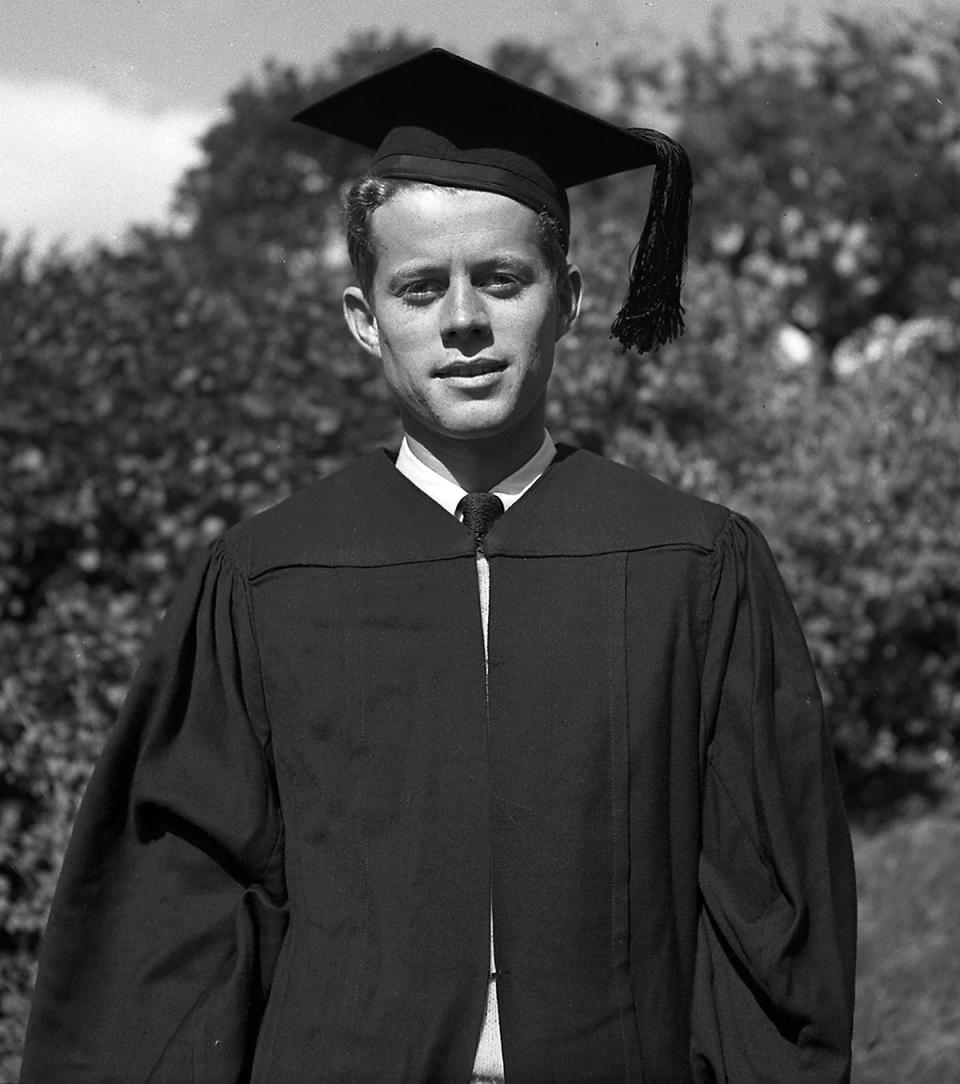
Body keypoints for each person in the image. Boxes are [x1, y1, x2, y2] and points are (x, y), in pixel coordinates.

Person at [21, 48, 856, 1083]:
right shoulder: (264, 577)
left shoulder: (695, 564)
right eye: (421, 288)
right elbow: (169, 930)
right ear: (366, 320)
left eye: (502, 278)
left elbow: (769, 912)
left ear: (571, 298)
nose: (463, 320)